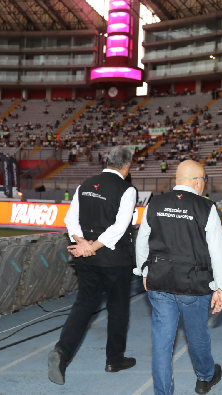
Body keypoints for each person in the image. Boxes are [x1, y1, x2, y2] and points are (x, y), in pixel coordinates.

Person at [135, 160, 222, 395]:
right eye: (204, 180)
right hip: (193, 285)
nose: (204, 185)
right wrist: (221, 287)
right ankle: (205, 377)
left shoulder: (155, 203)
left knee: (162, 344)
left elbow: (142, 241)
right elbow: (218, 250)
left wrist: (144, 271)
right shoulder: (206, 207)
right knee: (197, 335)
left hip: (160, 282)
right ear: (197, 181)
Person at [48, 147, 138, 385]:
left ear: (107, 161)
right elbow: (120, 228)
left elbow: (70, 219)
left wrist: (82, 243)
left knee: (83, 305)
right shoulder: (127, 190)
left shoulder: (85, 184)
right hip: (115, 261)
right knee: (118, 309)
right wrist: (92, 245)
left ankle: (62, 352)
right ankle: (114, 359)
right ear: (126, 166)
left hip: (86, 258)